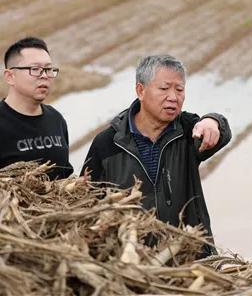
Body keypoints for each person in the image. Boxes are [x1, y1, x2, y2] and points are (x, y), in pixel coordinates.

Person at [81, 55, 231, 252]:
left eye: (179, 89)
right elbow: (87, 203)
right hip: (133, 263)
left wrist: (213, 121)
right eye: (164, 88)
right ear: (141, 91)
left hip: (190, 257)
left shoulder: (187, 131)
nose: (173, 97)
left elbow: (223, 134)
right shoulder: (108, 144)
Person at [0, 37, 73, 179]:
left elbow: (65, 175)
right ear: (10, 76)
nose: (44, 76)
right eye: (35, 69)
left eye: (48, 69)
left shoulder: (56, 119)